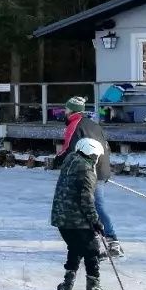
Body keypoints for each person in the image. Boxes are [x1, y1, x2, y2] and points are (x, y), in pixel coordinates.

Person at [53, 96, 121, 256]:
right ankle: (106, 240)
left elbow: (68, 148)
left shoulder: (73, 124)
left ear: (71, 110)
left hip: (88, 170)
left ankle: (106, 240)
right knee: (95, 205)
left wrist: (57, 160)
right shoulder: (94, 124)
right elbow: (107, 147)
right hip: (100, 168)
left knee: (90, 205)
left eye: (66, 109)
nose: (65, 111)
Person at [50, 137, 115, 290]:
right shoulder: (86, 171)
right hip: (75, 219)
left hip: (61, 218)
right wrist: (96, 221)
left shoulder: (69, 162)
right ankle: (93, 286)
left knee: (75, 248)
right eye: (96, 157)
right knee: (92, 249)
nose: (96, 160)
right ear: (91, 154)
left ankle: (67, 283)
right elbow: (86, 200)